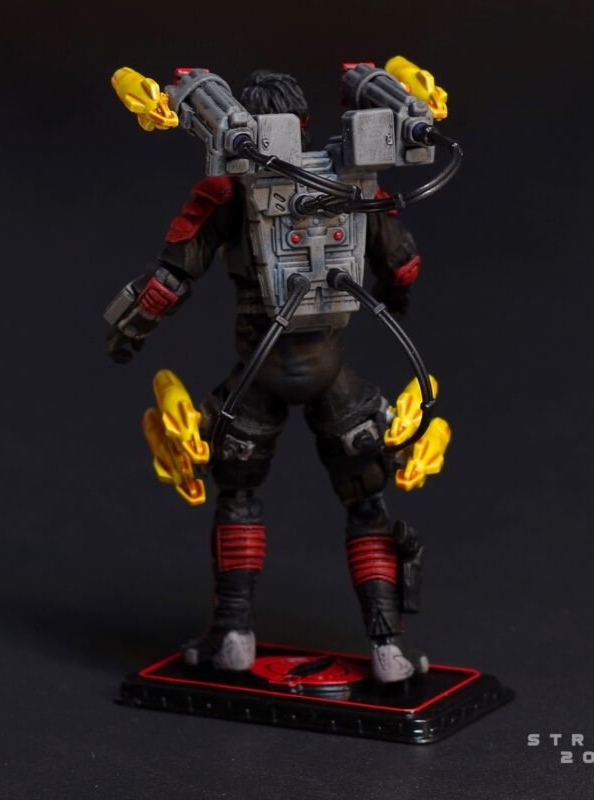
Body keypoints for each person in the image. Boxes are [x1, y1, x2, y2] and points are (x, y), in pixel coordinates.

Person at [105, 71, 427, 683]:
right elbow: (403, 261)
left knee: (237, 496)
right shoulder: (355, 182)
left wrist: (129, 331)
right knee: (367, 502)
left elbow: (169, 279)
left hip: (260, 370)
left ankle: (234, 634)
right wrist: (397, 295)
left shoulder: (229, 193)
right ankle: (388, 648)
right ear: (303, 125)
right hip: (333, 374)